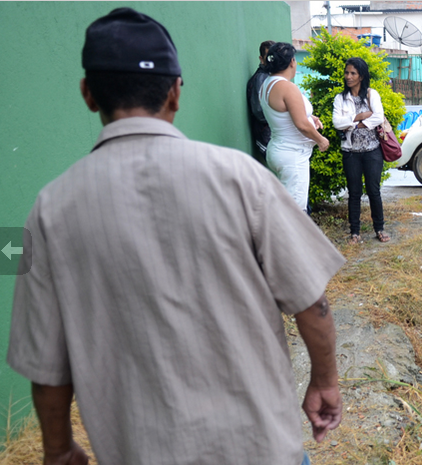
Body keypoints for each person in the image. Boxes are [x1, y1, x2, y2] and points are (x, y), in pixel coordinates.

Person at [6, 8, 346, 465]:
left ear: (88, 94)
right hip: (260, 448)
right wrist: (324, 381)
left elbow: (45, 360)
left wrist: (57, 448)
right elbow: (312, 304)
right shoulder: (241, 179)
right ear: (176, 92)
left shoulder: (49, 209)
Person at [260, 42, 329, 215]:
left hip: (279, 149)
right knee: (296, 213)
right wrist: (320, 140)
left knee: (285, 207)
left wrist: (310, 117)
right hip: (293, 156)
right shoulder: (287, 87)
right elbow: (301, 125)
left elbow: (284, 113)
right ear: (292, 62)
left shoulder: (267, 84)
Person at [333, 57, 389, 245]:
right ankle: (354, 232)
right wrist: (359, 116)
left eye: (353, 73)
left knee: (374, 190)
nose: (348, 76)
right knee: (354, 192)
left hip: (372, 151)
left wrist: (354, 125)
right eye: (347, 73)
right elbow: (337, 123)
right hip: (351, 152)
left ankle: (379, 229)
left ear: (361, 76)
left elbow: (378, 117)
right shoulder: (340, 98)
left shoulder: (372, 95)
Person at [246, 40, 275, 166]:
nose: (271, 61)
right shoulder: (261, 79)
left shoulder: (271, 77)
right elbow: (259, 112)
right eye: (268, 57)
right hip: (266, 137)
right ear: (261, 58)